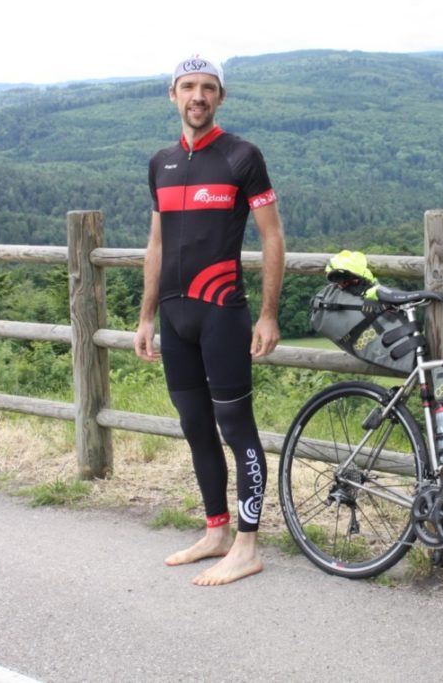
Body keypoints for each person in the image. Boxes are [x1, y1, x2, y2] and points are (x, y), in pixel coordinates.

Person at [134, 55, 285, 586]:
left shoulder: (241, 156)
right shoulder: (160, 162)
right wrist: (146, 314)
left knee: (235, 426)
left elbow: (271, 238)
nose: (197, 96)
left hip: (222, 312)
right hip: (174, 318)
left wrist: (268, 315)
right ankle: (216, 531)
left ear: (220, 97)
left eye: (208, 87)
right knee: (195, 427)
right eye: (188, 86)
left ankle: (247, 545)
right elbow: (156, 244)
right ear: (172, 95)